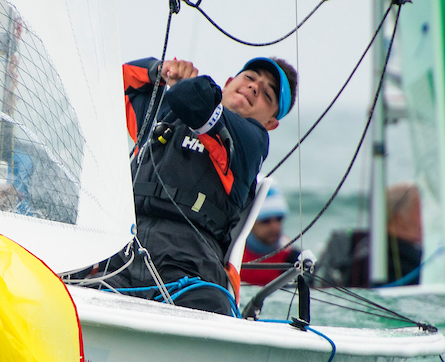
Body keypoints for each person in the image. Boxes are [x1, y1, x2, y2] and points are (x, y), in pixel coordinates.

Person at [102, 54, 298, 315]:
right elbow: (112, 81)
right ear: (228, 83)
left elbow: (196, 102)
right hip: (123, 258)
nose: (254, 87)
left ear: (271, 123)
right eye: (250, 78)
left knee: (206, 304)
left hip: (189, 271)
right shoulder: (166, 112)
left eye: (267, 95)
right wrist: (159, 70)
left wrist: (186, 83)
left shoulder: (251, 141)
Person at [318, 183, 424, 287]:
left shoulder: (354, 244)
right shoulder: (408, 260)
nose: (426, 220)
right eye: (422, 212)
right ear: (399, 219)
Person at [241, 185, 300, 285]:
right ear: (249, 222)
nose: (275, 227)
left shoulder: (293, 259)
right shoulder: (230, 257)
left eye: (279, 218)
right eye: (265, 221)